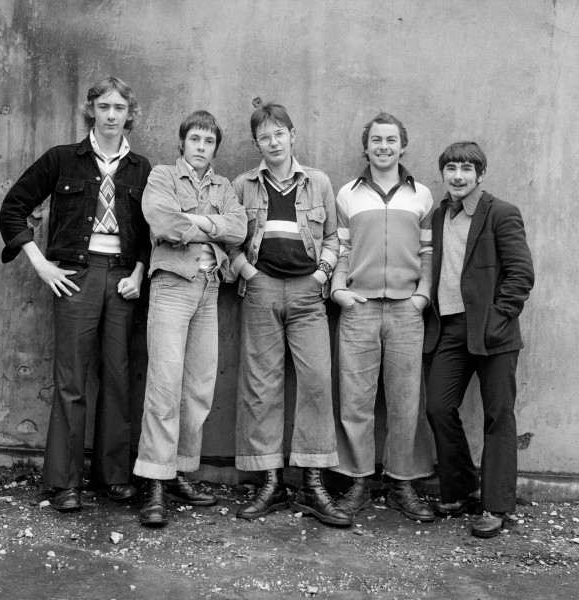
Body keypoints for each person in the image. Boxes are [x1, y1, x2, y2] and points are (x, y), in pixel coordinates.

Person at [0, 76, 151, 512]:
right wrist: (40, 263)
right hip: (75, 278)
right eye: (103, 107)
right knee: (71, 380)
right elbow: (13, 208)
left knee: (118, 378)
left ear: (129, 114)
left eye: (119, 108)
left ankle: (113, 478)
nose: (110, 115)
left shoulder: (142, 168)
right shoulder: (62, 159)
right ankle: (66, 482)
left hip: (122, 279)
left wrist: (140, 272)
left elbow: (148, 232)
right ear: (91, 111)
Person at [228, 102, 351, 527]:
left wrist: (322, 274)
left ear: (292, 135)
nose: (273, 141)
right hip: (260, 291)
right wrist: (246, 270)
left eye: (280, 133)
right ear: (256, 143)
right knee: (262, 386)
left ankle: (313, 484)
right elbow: (229, 237)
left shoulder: (317, 181)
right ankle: (270, 482)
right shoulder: (243, 184)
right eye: (265, 136)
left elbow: (335, 236)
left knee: (317, 382)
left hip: (307, 294)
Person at [134, 110, 247, 527]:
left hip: (209, 287)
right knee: (164, 385)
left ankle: (179, 471)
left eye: (209, 141)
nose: (201, 147)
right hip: (171, 286)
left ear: (216, 147)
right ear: (182, 142)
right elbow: (160, 220)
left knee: (197, 387)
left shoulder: (223, 186)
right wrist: (211, 227)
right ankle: (154, 484)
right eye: (195, 139)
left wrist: (195, 224)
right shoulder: (162, 176)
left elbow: (239, 228)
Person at [424, 141, 534, 538]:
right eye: (451, 168)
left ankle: (495, 506)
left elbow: (521, 274)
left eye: (467, 169)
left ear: (480, 174)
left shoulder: (501, 212)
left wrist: (498, 317)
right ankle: (461, 489)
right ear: (443, 174)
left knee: (498, 417)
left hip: (493, 332)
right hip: (450, 329)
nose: (458, 176)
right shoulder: (440, 215)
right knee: (438, 406)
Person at [330, 112, 435, 522]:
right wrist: (339, 290)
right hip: (359, 308)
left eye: (391, 140)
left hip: (408, 311)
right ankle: (358, 480)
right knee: (355, 400)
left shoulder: (421, 195)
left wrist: (422, 296)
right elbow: (340, 248)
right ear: (366, 146)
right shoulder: (348, 194)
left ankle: (401, 484)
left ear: (402, 146)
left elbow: (427, 253)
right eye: (376, 140)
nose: (384, 146)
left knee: (406, 401)